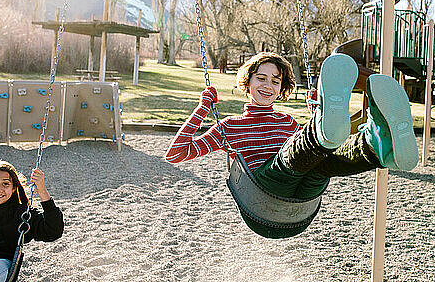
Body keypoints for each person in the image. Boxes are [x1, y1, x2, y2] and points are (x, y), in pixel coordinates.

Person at [166, 51, 418, 237]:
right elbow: (175, 154)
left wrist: (316, 113)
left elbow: (307, 153)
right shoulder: (229, 127)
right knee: (287, 162)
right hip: (261, 201)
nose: (267, 85)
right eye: (261, 78)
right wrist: (202, 110)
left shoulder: (287, 122)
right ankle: (321, 131)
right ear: (248, 82)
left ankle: (376, 147)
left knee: (322, 164)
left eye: (275, 81)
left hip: (301, 210)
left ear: (281, 88)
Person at [0, 161, 64, 282]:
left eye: (5, 184)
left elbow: (53, 231)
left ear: (14, 188)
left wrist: (42, 190)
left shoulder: (22, 214)